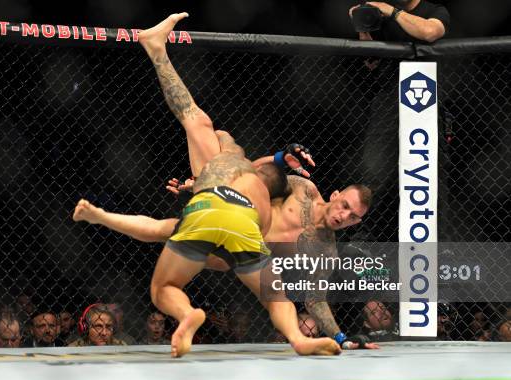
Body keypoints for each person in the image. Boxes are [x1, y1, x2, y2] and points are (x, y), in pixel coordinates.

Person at [74, 12, 375, 352]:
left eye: (352, 216)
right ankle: (295, 339)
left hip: (225, 228)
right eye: (345, 205)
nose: (343, 214)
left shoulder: (326, 250)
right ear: (335, 195)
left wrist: (340, 336)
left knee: (195, 135)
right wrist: (277, 158)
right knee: (269, 294)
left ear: (357, 222)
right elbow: (260, 175)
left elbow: (316, 298)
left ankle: (156, 50)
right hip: (241, 228)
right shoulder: (302, 189)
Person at [349, 0, 450, 43]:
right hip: (390, 81)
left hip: (427, 80)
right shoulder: (379, 13)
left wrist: (393, 12)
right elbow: (371, 61)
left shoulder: (436, 10)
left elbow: (429, 32)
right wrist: (361, 26)